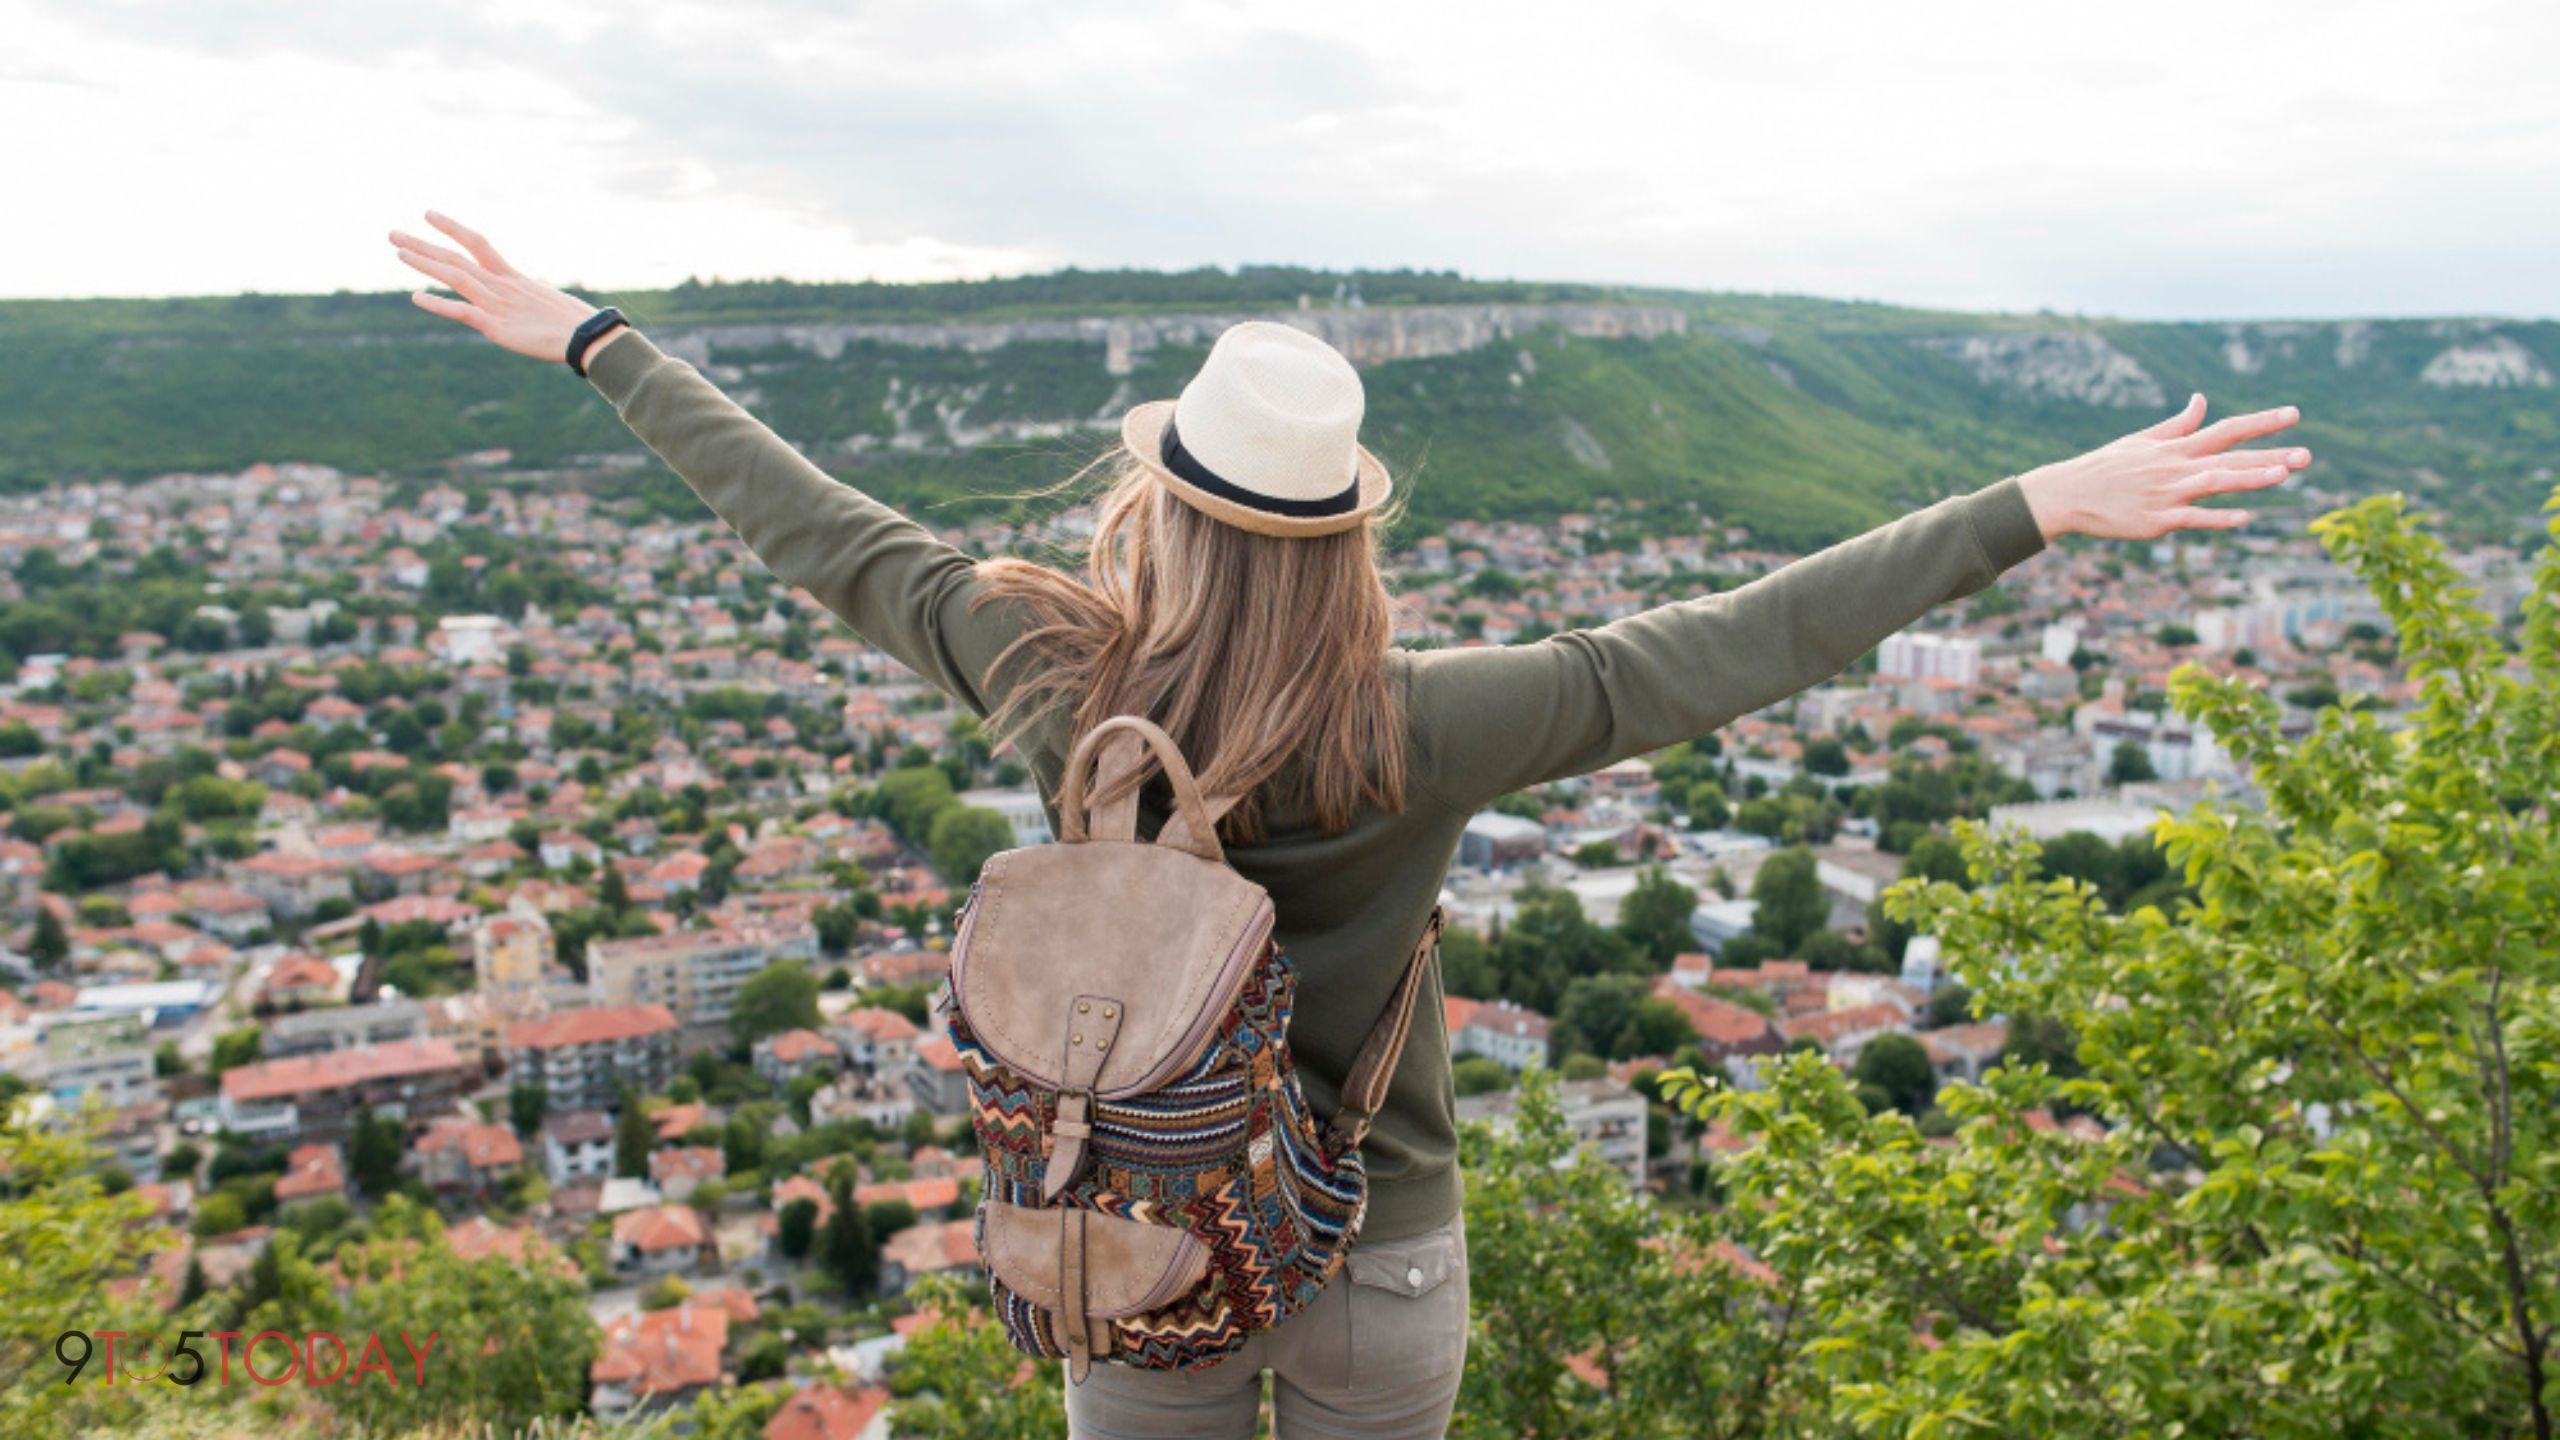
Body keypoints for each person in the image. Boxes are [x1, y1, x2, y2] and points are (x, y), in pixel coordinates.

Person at [388, 210, 2313, 1438]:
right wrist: (2030, 502)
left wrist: (597, 339)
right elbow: (1729, 647)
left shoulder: (1048, 670)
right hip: (1376, 1243)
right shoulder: (1425, 722)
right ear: (1346, 533)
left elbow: (809, 521)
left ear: (1160, 500)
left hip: (1122, 1228)